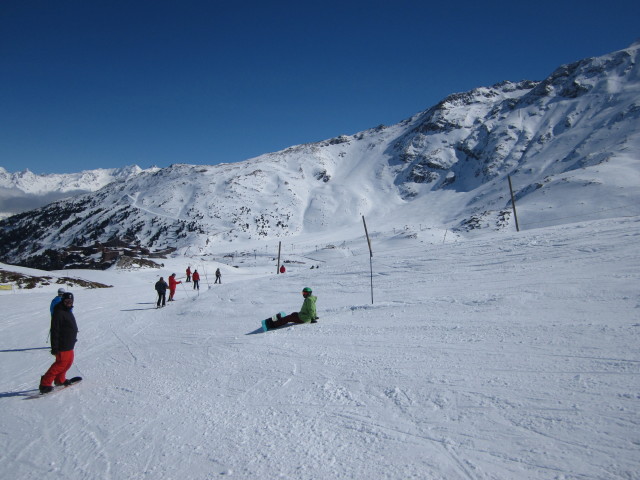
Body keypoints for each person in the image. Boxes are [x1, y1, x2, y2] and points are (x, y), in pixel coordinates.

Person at [39, 292, 79, 394]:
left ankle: (60, 379)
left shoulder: (67, 311)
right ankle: (45, 383)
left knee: (68, 363)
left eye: (70, 301)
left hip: (69, 344)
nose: (68, 303)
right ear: (63, 301)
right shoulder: (59, 312)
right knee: (60, 365)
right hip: (62, 345)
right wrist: (55, 347)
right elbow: (55, 331)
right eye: (66, 301)